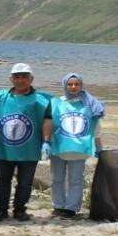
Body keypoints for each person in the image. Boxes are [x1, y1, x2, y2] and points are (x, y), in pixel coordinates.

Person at [0, 64, 52, 222]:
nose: (20, 80)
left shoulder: (42, 99)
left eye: (24, 76)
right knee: (2, 182)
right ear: (11, 79)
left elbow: (48, 120)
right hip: (3, 149)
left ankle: (20, 210)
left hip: (29, 149)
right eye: (17, 77)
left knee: (25, 183)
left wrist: (46, 142)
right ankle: (0, 210)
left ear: (31, 79)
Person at [48, 73, 104, 218]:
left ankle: (71, 208)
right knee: (57, 178)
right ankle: (58, 205)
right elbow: (50, 124)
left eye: (77, 84)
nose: (73, 87)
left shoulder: (90, 104)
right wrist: (46, 142)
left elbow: (95, 128)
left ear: (81, 86)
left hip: (79, 149)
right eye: (70, 84)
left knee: (76, 179)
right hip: (58, 147)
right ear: (65, 85)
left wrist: (99, 148)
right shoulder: (56, 103)